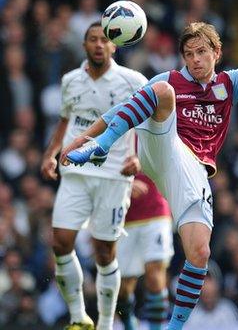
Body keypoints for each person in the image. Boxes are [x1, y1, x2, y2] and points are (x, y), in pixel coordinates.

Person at [61, 10, 238, 329]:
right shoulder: (171, 79)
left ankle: (174, 327)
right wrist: (85, 138)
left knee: (199, 253)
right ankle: (103, 145)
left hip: (192, 174)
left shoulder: (229, 84)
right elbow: (116, 111)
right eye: (189, 54)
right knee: (161, 93)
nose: (195, 60)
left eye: (201, 52)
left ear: (216, 53)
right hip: (161, 147)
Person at [40, 22, 147, 330]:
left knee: (104, 252)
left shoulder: (133, 81)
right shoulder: (70, 81)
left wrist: (136, 156)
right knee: (60, 242)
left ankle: (104, 323)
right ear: (85, 45)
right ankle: (78, 317)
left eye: (104, 40)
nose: (99, 44)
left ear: (114, 44)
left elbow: (147, 125)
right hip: (74, 170)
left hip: (113, 176)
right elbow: (65, 121)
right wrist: (50, 153)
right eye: (92, 40)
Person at [115, 172, 173, 330]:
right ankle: (129, 324)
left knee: (155, 275)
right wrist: (123, 183)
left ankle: (157, 328)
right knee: (122, 288)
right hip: (122, 216)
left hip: (156, 211)